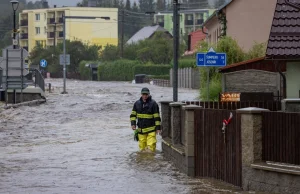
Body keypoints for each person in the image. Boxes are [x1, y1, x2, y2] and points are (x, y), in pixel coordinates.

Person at [130, 87, 161, 152]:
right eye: (143, 94)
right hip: (141, 130)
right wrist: (133, 124)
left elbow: (157, 117)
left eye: (146, 94)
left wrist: (158, 128)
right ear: (141, 94)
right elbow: (133, 115)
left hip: (151, 129)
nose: (145, 96)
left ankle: (150, 160)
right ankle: (143, 161)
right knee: (142, 148)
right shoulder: (137, 103)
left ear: (149, 94)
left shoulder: (153, 104)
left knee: (151, 147)